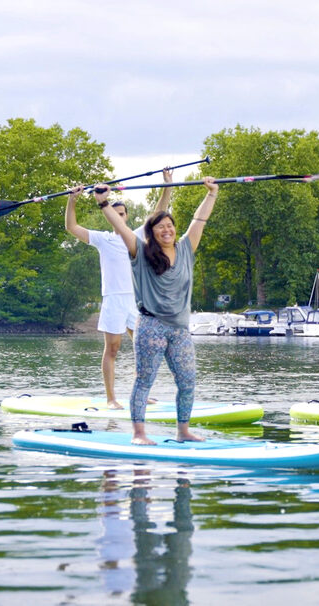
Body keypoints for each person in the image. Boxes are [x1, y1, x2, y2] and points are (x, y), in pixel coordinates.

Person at [94, 175, 218, 444]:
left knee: (187, 381)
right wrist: (103, 203)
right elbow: (122, 228)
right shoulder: (141, 251)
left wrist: (211, 194)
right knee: (144, 380)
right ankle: (139, 434)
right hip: (151, 326)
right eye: (160, 227)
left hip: (180, 328)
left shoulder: (186, 248)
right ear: (152, 232)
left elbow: (199, 221)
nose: (166, 230)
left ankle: (182, 430)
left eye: (170, 225)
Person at [65, 170, 175, 409]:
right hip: (114, 299)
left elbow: (158, 212)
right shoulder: (102, 238)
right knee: (112, 349)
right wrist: (72, 200)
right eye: (115, 214)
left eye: (122, 214)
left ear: (126, 216)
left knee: (145, 349)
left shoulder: (136, 236)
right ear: (109, 216)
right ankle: (111, 399)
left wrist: (168, 185)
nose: (119, 217)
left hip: (136, 301)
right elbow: (72, 227)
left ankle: (142, 395)